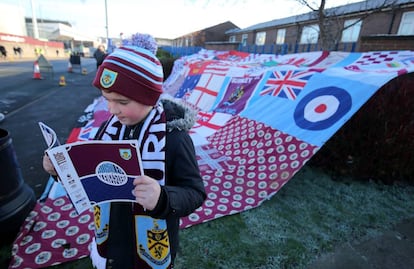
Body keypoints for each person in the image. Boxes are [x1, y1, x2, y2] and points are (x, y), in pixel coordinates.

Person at [42, 33, 206, 269]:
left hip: (153, 243)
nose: (112, 109)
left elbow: (195, 193)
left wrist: (163, 198)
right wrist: (59, 169)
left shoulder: (175, 139)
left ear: (149, 97)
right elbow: (88, 176)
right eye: (107, 99)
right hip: (111, 241)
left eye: (122, 102)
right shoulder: (107, 130)